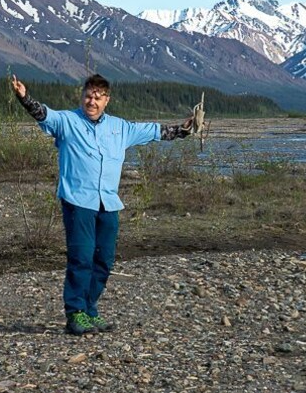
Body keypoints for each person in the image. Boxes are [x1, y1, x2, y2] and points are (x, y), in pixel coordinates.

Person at [11, 73, 194, 335]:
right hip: (78, 202)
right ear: (82, 96)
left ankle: (89, 310)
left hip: (108, 203)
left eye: (98, 97)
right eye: (88, 96)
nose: (92, 101)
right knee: (81, 258)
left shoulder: (121, 128)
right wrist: (24, 98)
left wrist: (184, 130)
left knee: (104, 261)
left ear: (106, 100)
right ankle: (75, 314)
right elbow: (43, 114)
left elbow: (155, 131)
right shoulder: (67, 121)